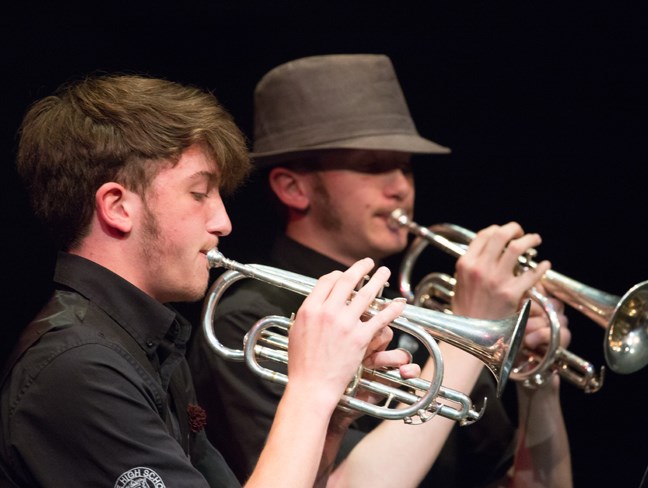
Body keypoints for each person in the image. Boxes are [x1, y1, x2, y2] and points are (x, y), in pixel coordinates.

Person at [0, 73, 420, 488]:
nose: (223, 222)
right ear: (117, 207)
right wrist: (313, 387)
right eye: (199, 194)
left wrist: (332, 418)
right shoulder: (79, 367)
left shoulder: (148, 345)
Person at [188, 54, 573, 487]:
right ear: (293, 188)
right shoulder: (249, 316)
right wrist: (474, 328)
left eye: (405, 167)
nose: (401, 187)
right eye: (372, 166)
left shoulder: (426, 315)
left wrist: (539, 383)